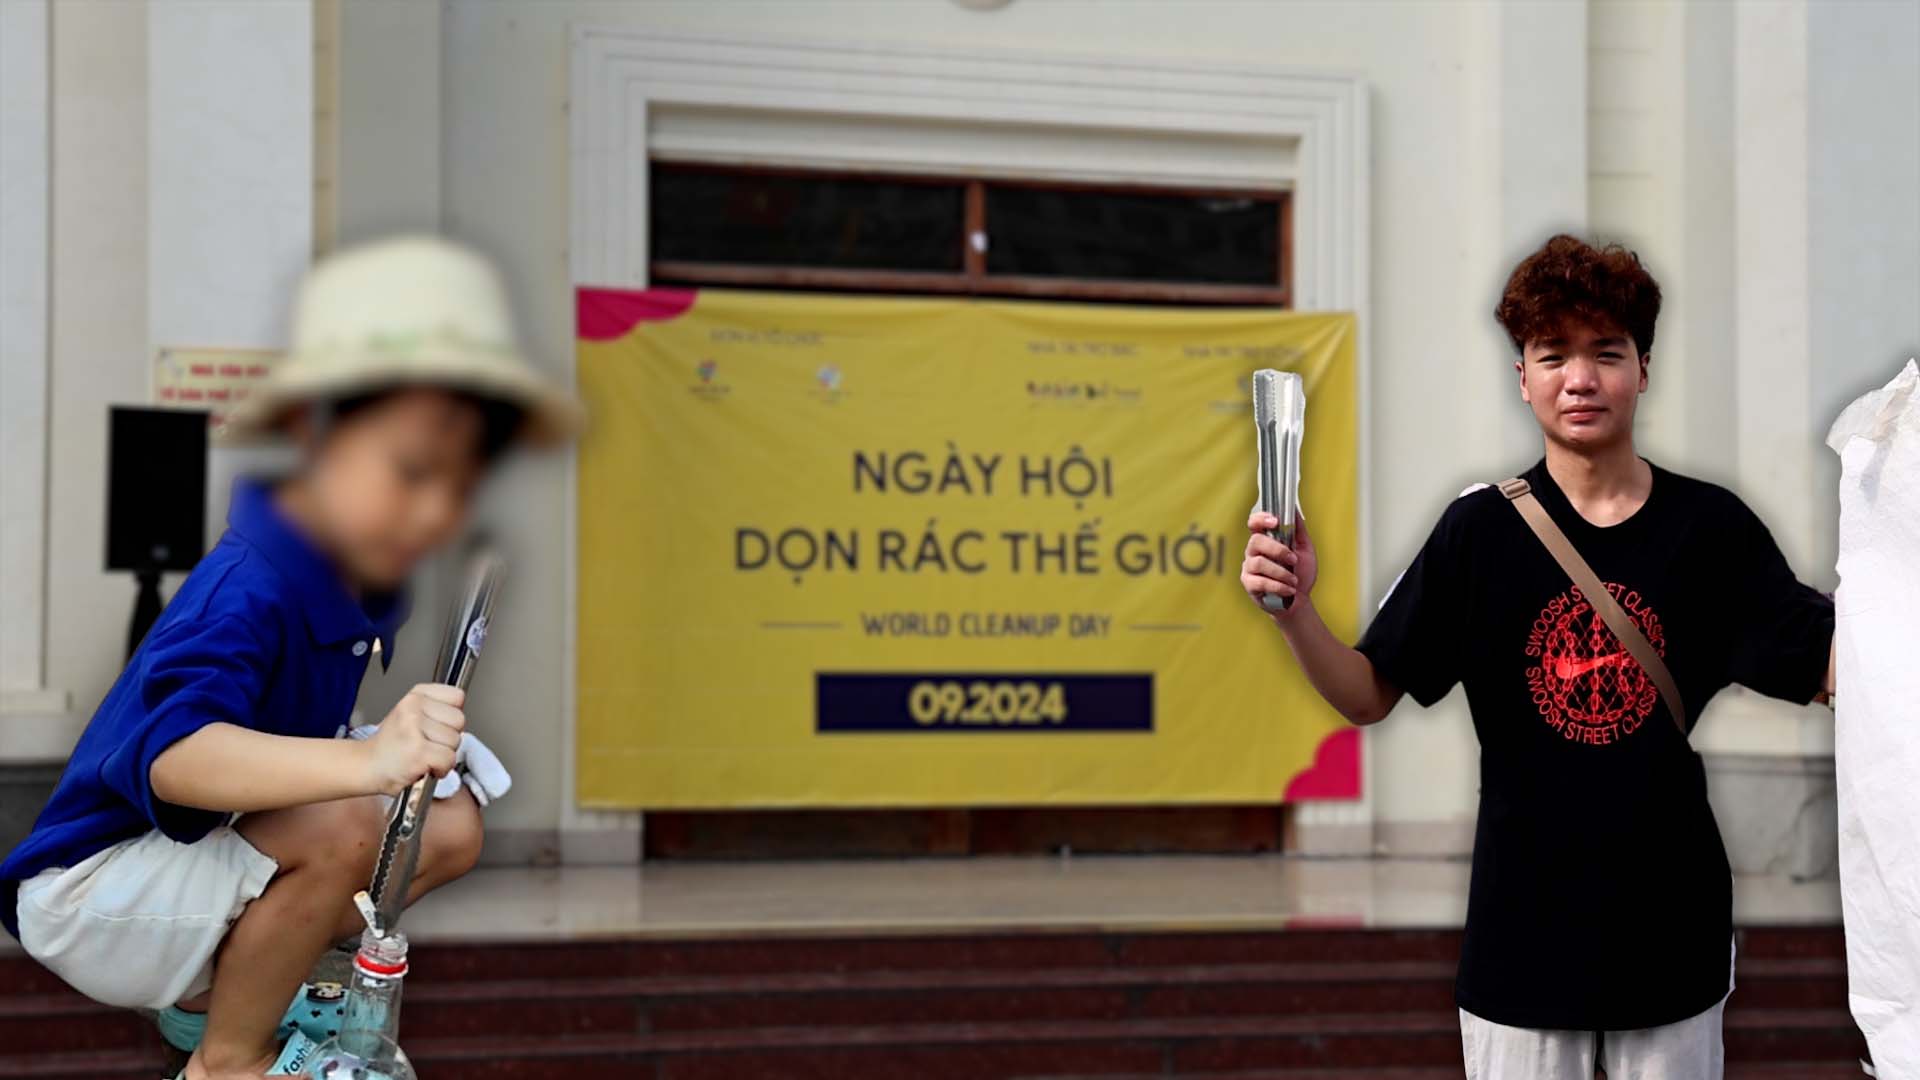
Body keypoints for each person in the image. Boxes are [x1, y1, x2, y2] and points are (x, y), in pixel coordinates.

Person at [1240, 234, 1836, 1079]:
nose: (1579, 379)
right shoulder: (1479, 531)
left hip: (1669, 930)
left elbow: (1829, 665)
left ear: (1643, 369)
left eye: (1606, 353)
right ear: (1522, 377)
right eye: (1553, 355)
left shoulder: (1711, 530)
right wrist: (1296, 611)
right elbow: (1367, 693)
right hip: (1522, 936)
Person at [0, 236, 582, 1079]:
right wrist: (367, 761)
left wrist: (390, 758)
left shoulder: (359, 587)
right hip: (90, 892)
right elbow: (175, 759)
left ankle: (230, 994)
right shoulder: (250, 582)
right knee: (349, 817)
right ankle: (230, 1059)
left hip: (185, 870)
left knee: (448, 827)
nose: (432, 511)